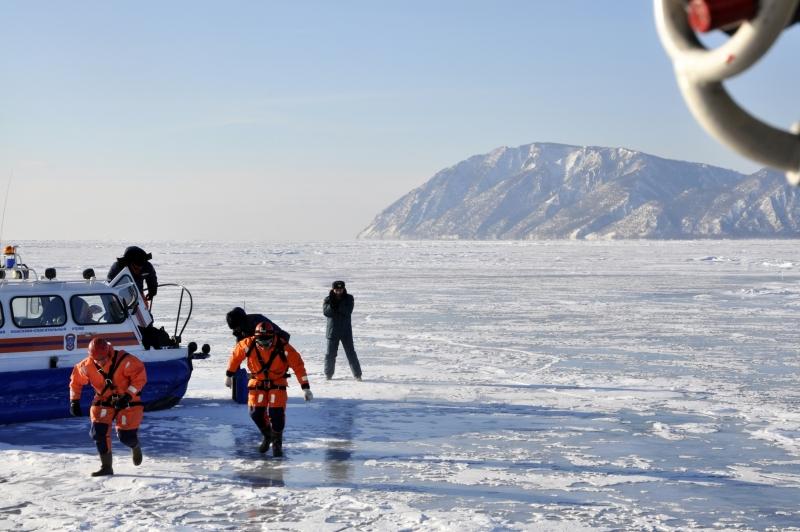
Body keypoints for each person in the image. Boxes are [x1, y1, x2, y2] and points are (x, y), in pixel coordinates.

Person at [225, 321, 312, 457]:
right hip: (257, 382)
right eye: (261, 342)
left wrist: (305, 387)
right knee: (255, 412)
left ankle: (277, 443)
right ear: (256, 338)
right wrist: (229, 374)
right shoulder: (248, 344)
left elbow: (298, 366)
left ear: (273, 337)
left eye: (267, 342)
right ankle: (268, 435)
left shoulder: (284, 347)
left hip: (277, 383)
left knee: (276, 414)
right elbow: (235, 357)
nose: (264, 346)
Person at [69, 337, 147, 476]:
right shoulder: (86, 366)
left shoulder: (125, 360)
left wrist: (128, 396)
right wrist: (74, 401)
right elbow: (75, 381)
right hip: (104, 401)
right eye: (96, 360)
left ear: (108, 353)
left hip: (128, 401)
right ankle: (106, 467)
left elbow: (140, 378)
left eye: (103, 359)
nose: (100, 362)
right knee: (98, 433)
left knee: (125, 436)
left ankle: (135, 446)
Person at [323, 280, 362, 381]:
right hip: (332, 332)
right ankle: (328, 375)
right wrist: (333, 305)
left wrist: (338, 305)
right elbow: (326, 312)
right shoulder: (328, 299)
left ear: (343, 289)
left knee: (351, 353)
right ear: (333, 289)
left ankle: (357, 375)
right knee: (330, 354)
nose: (339, 291)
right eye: (336, 289)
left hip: (346, 332)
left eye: (340, 289)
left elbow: (348, 311)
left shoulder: (349, 298)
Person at [226, 306, 290, 344]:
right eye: (234, 328)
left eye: (237, 327)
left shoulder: (258, 322)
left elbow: (283, 336)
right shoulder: (240, 331)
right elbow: (238, 351)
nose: (236, 330)